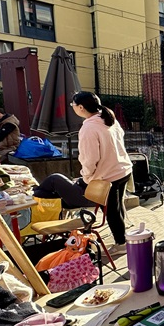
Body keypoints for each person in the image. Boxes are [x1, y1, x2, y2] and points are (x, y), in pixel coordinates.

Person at [32, 91, 132, 250]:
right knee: (115, 208)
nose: (72, 107)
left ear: (80, 107)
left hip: (105, 179)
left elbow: (90, 159)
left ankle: (121, 243)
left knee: (54, 180)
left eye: (73, 105)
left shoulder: (89, 128)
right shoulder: (108, 118)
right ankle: (122, 241)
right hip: (122, 170)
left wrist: (86, 178)